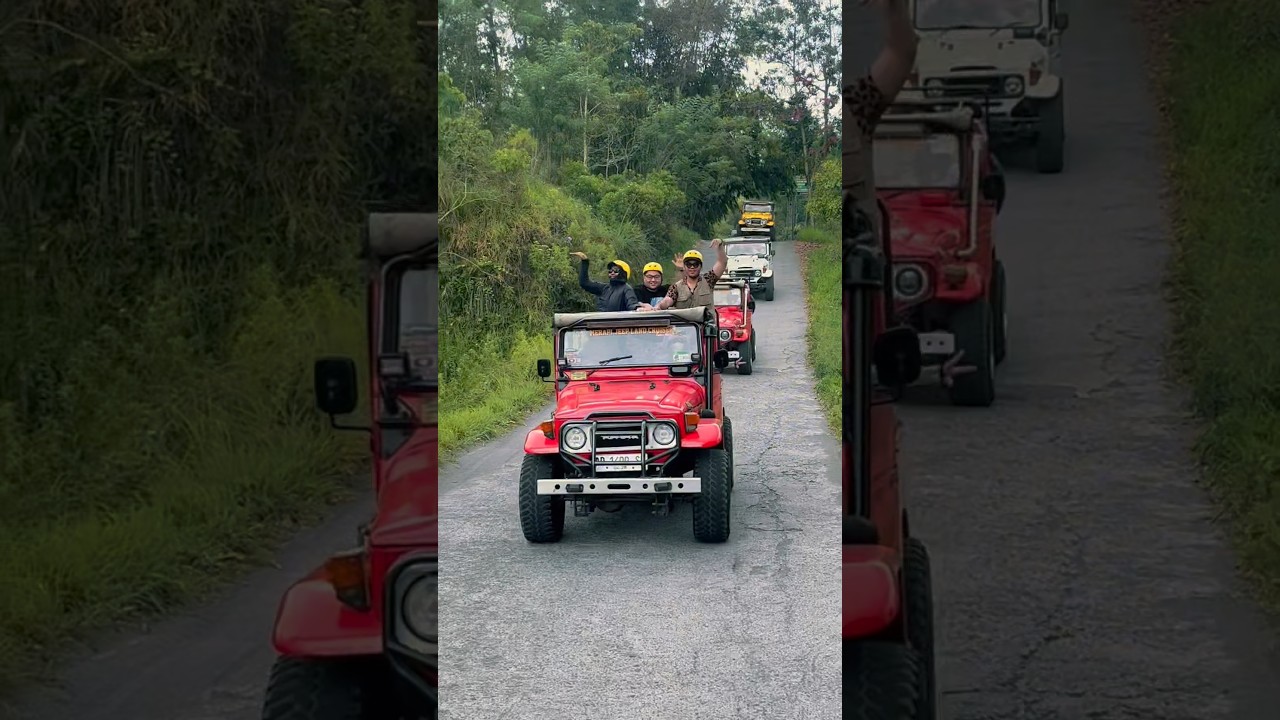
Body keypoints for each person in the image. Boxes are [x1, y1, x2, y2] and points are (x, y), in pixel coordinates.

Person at [642, 239, 728, 311]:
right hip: (685, 325)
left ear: (701, 266)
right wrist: (658, 307)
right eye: (688, 264)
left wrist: (720, 246)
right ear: (684, 266)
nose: (692, 267)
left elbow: (722, 263)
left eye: (695, 264)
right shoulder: (676, 287)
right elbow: (667, 300)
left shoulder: (708, 280)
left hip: (706, 325)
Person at [570, 252, 641, 312]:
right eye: (610, 271)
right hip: (601, 322)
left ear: (624, 273)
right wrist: (585, 262)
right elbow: (584, 283)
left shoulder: (627, 289)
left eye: (616, 270)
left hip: (618, 323)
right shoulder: (604, 288)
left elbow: (632, 303)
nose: (612, 273)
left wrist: (637, 308)